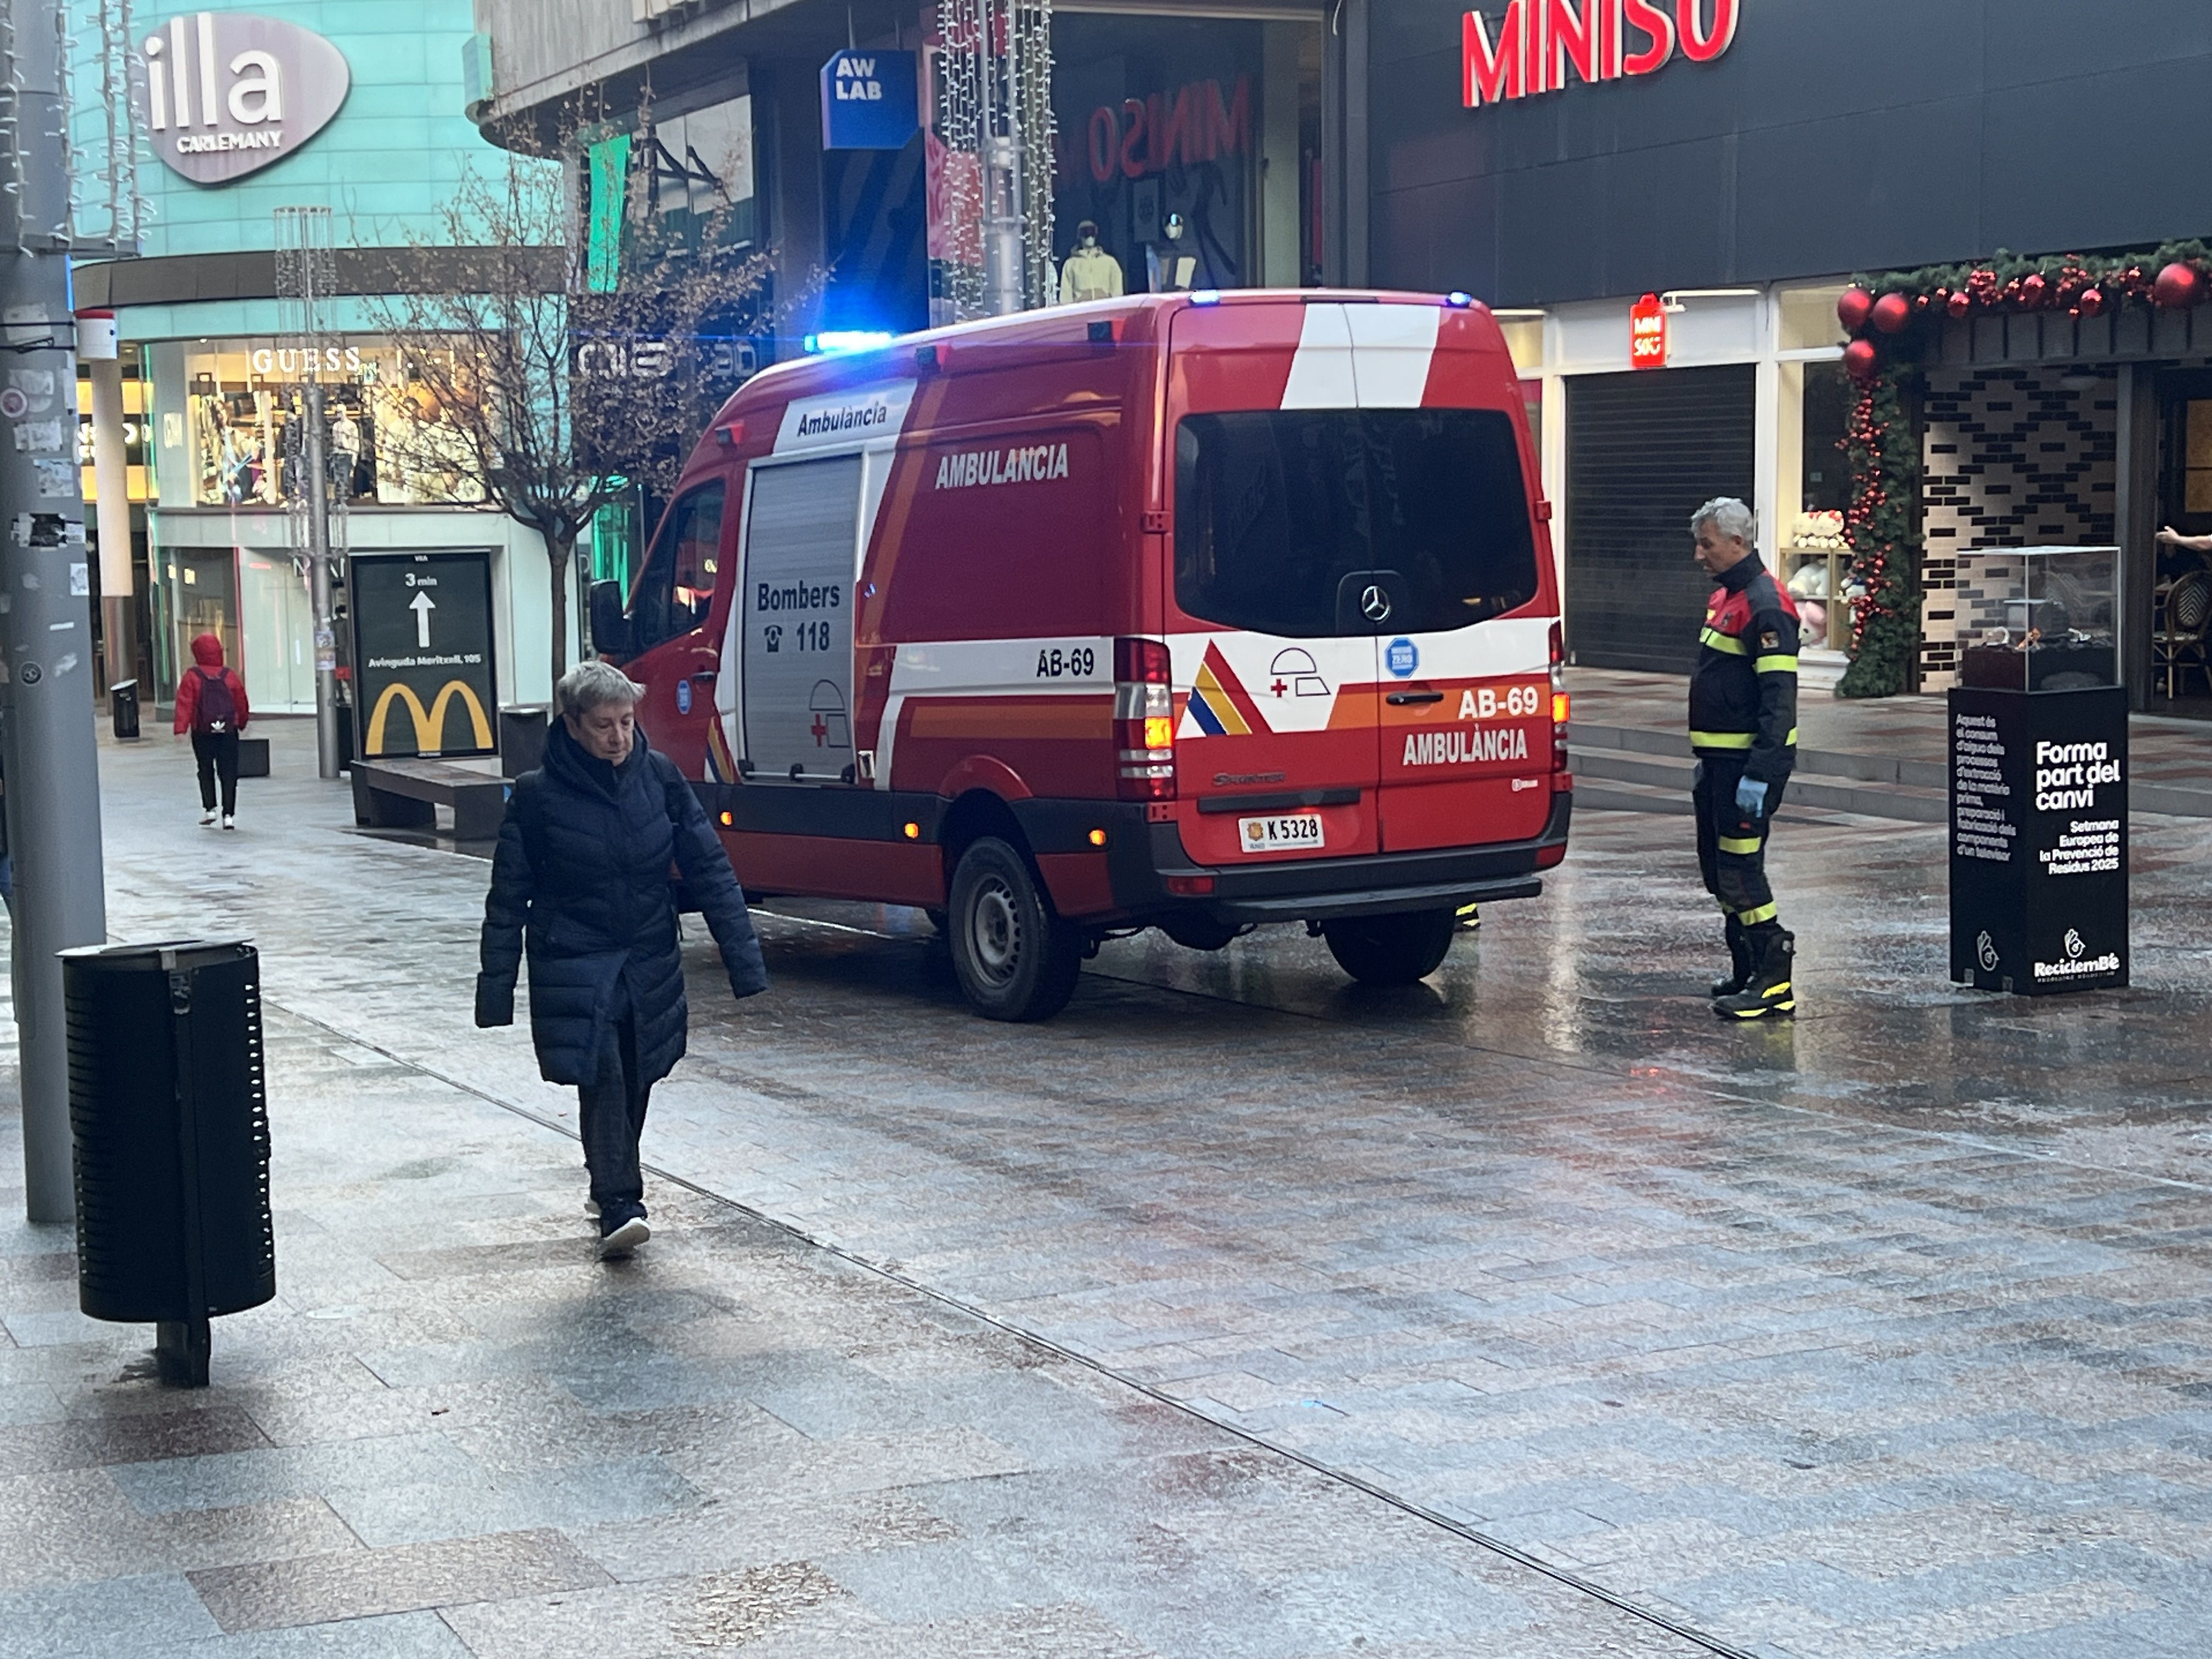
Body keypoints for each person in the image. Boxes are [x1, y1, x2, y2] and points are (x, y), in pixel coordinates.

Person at [475, 661, 769, 1259]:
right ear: (573, 725)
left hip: (649, 955)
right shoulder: (537, 797)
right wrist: (495, 988)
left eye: (627, 722)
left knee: (637, 1075)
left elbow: (708, 866)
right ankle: (620, 1201)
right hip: (575, 958)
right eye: (604, 725)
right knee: (603, 1069)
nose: (618, 737)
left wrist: (744, 960)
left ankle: (607, 1177)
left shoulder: (658, 778)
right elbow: (508, 896)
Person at [1688, 498, 1800, 1019]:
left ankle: (1774, 977)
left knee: (1740, 872)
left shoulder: (1765, 603)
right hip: (1719, 767)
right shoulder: (1727, 598)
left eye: (1707, 544)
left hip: (1744, 772)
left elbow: (1779, 701)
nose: (1698, 554)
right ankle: (1748, 967)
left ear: (1737, 542)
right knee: (1718, 871)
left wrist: (1760, 773)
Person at [172, 631, 250, 830]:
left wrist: (181, 729)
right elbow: (241, 701)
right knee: (229, 771)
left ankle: (210, 809)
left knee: (205, 769)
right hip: (228, 731)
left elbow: (185, 704)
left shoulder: (192, 677)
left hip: (203, 731)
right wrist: (242, 722)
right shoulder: (230, 676)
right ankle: (229, 815)